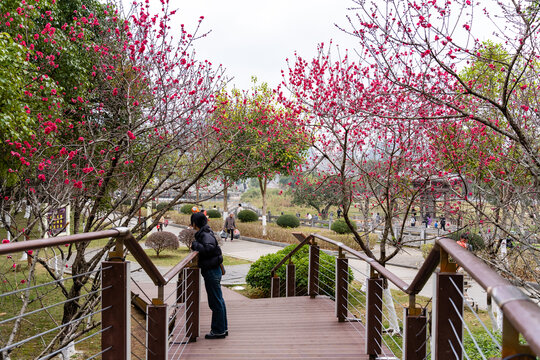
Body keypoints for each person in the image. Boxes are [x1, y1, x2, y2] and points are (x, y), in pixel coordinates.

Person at [190, 212, 228, 339]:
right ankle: (223, 328)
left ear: (195, 223)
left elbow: (208, 249)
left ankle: (218, 331)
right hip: (213, 269)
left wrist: (195, 245)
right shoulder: (207, 232)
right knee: (219, 300)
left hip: (212, 271)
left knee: (215, 301)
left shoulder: (205, 234)